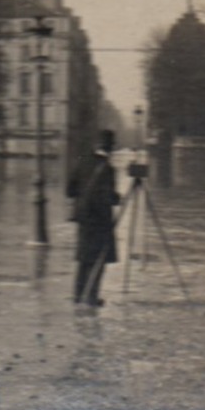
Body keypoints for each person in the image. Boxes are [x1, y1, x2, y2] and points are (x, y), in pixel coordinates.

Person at [67, 129, 120, 307]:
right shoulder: (108, 169)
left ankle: (77, 295)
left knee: (83, 258)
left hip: (83, 218)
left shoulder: (82, 161)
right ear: (110, 148)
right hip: (100, 221)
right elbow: (108, 197)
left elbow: (70, 190)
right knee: (99, 258)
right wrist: (117, 198)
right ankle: (91, 297)